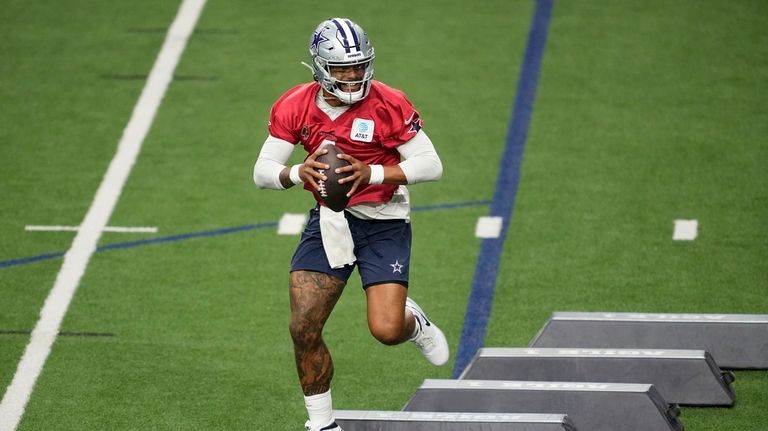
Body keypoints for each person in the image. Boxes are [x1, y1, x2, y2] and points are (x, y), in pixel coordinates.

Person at [253, 17, 449, 431]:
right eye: (343, 68)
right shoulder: (295, 103)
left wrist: (372, 173)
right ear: (321, 67)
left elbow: (432, 165)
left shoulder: (388, 101)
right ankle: (322, 425)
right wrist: (295, 174)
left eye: (359, 66)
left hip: (383, 218)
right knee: (303, 323)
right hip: (331, 219)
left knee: (385, 329)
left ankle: (412, 323)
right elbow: (262, 170)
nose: (353, 75)